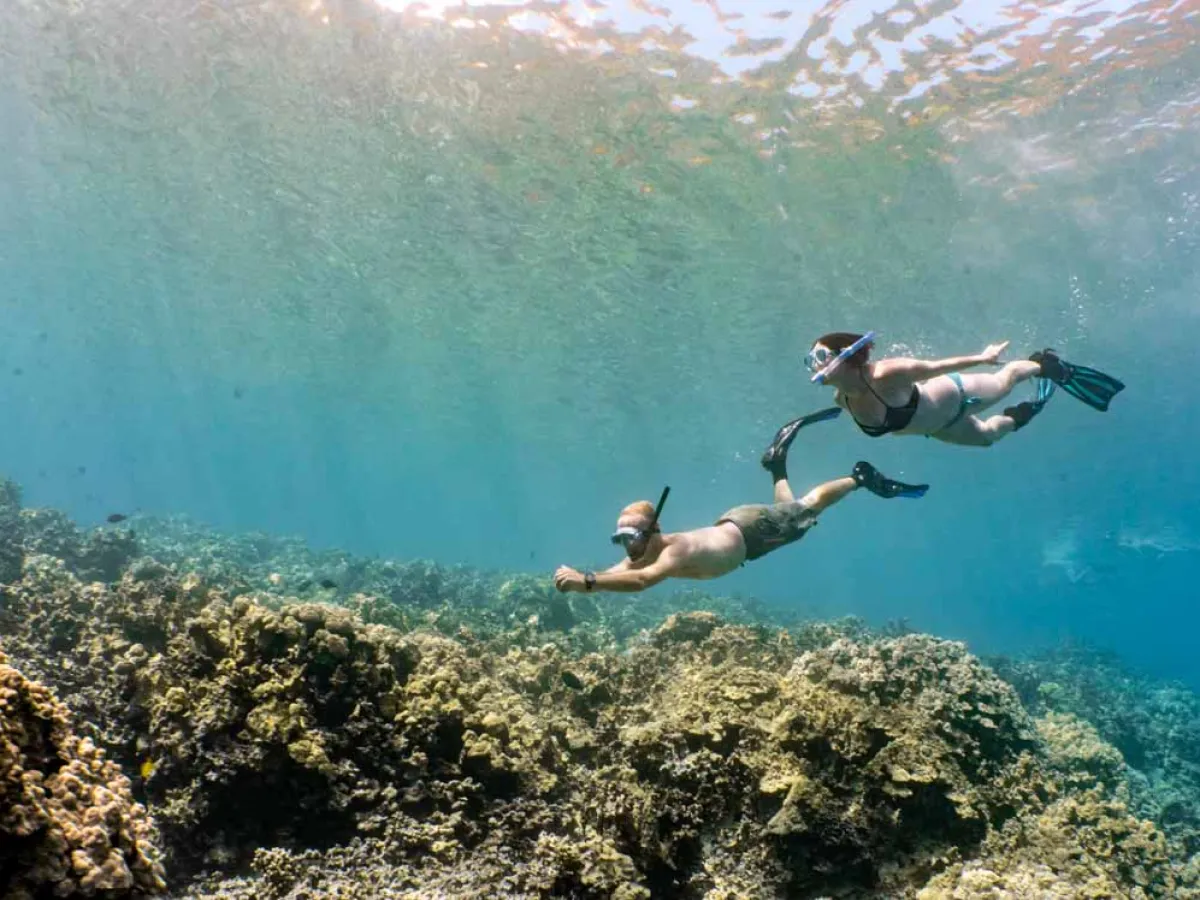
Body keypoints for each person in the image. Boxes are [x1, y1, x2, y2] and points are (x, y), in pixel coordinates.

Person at [552, 410, 927, 594]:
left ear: (654, 530)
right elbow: (623, 570)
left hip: (750, 530)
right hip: (742, 530)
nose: (627, 545)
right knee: (793, 515)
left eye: (631, 536)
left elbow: (643, 582)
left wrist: (586, 582)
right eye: (620, 539)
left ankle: (858, 478)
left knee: (809, 508)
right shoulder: (645, 551)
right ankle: (777, 465)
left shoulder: (672, 552)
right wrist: (586, 579)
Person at [801, 331, 1124, 447]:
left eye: (819, 357)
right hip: (941, 427)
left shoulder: (885, 374)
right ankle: (1025, 413)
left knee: (1004, 380)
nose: (814, 365)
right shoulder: (841, 399)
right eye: (810, 360)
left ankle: (1044, 365)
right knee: (987, 439)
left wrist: (982, 357)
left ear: (846, 355)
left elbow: (933, 368)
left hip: (956, 395)